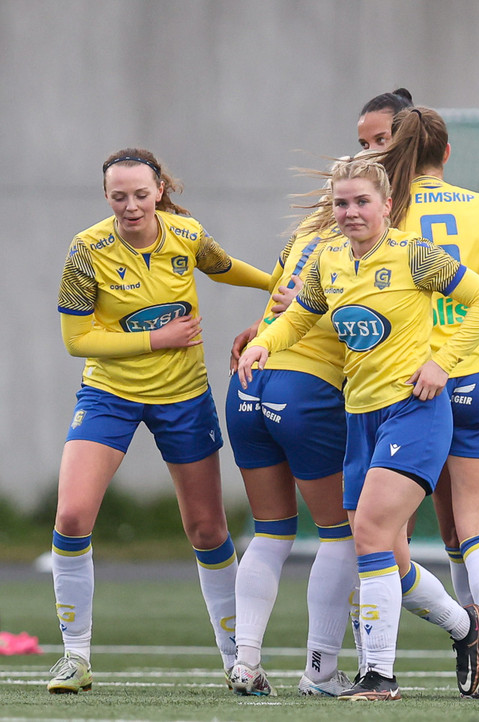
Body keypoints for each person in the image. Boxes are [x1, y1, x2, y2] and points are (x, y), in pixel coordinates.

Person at [237, 157, 479, 701]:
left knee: (371, 535)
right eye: (342, 203)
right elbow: (300, 317)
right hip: (360, 417)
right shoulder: (329, 257)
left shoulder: (414, 254)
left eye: (362, 202)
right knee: (383, 552)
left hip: (414, 412)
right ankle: (465, 627)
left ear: (387, 205)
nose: (351, 212)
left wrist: (443, 362)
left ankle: (379, 676)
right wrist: (264, 342)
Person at [50, 148, 271, 693]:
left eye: (141, 195)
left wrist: (275, 286)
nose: (130, 206)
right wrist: (157, 339)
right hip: (109, 395)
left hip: (183, 397)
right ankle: (75, 658)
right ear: (106, 197)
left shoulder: (186, 234)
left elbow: (222, 266)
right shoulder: (86, 250)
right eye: (118, 196)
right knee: (72, 516)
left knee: (208, 529)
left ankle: (239, 662)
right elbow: (77, 340)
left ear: (160, 191)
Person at [374, 107, 479, 699]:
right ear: (447, 154)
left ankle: (368, 664)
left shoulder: (385, 208)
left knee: (379, 535)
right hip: (477, 377)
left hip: (409, 382)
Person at [224, 210, 355, 697]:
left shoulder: (306, 232)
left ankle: (246, 662)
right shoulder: (376, 244)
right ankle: (320, 671)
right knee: (341, 534)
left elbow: (279, 303)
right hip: (306, 388)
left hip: (248, 383)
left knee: (271, 530)